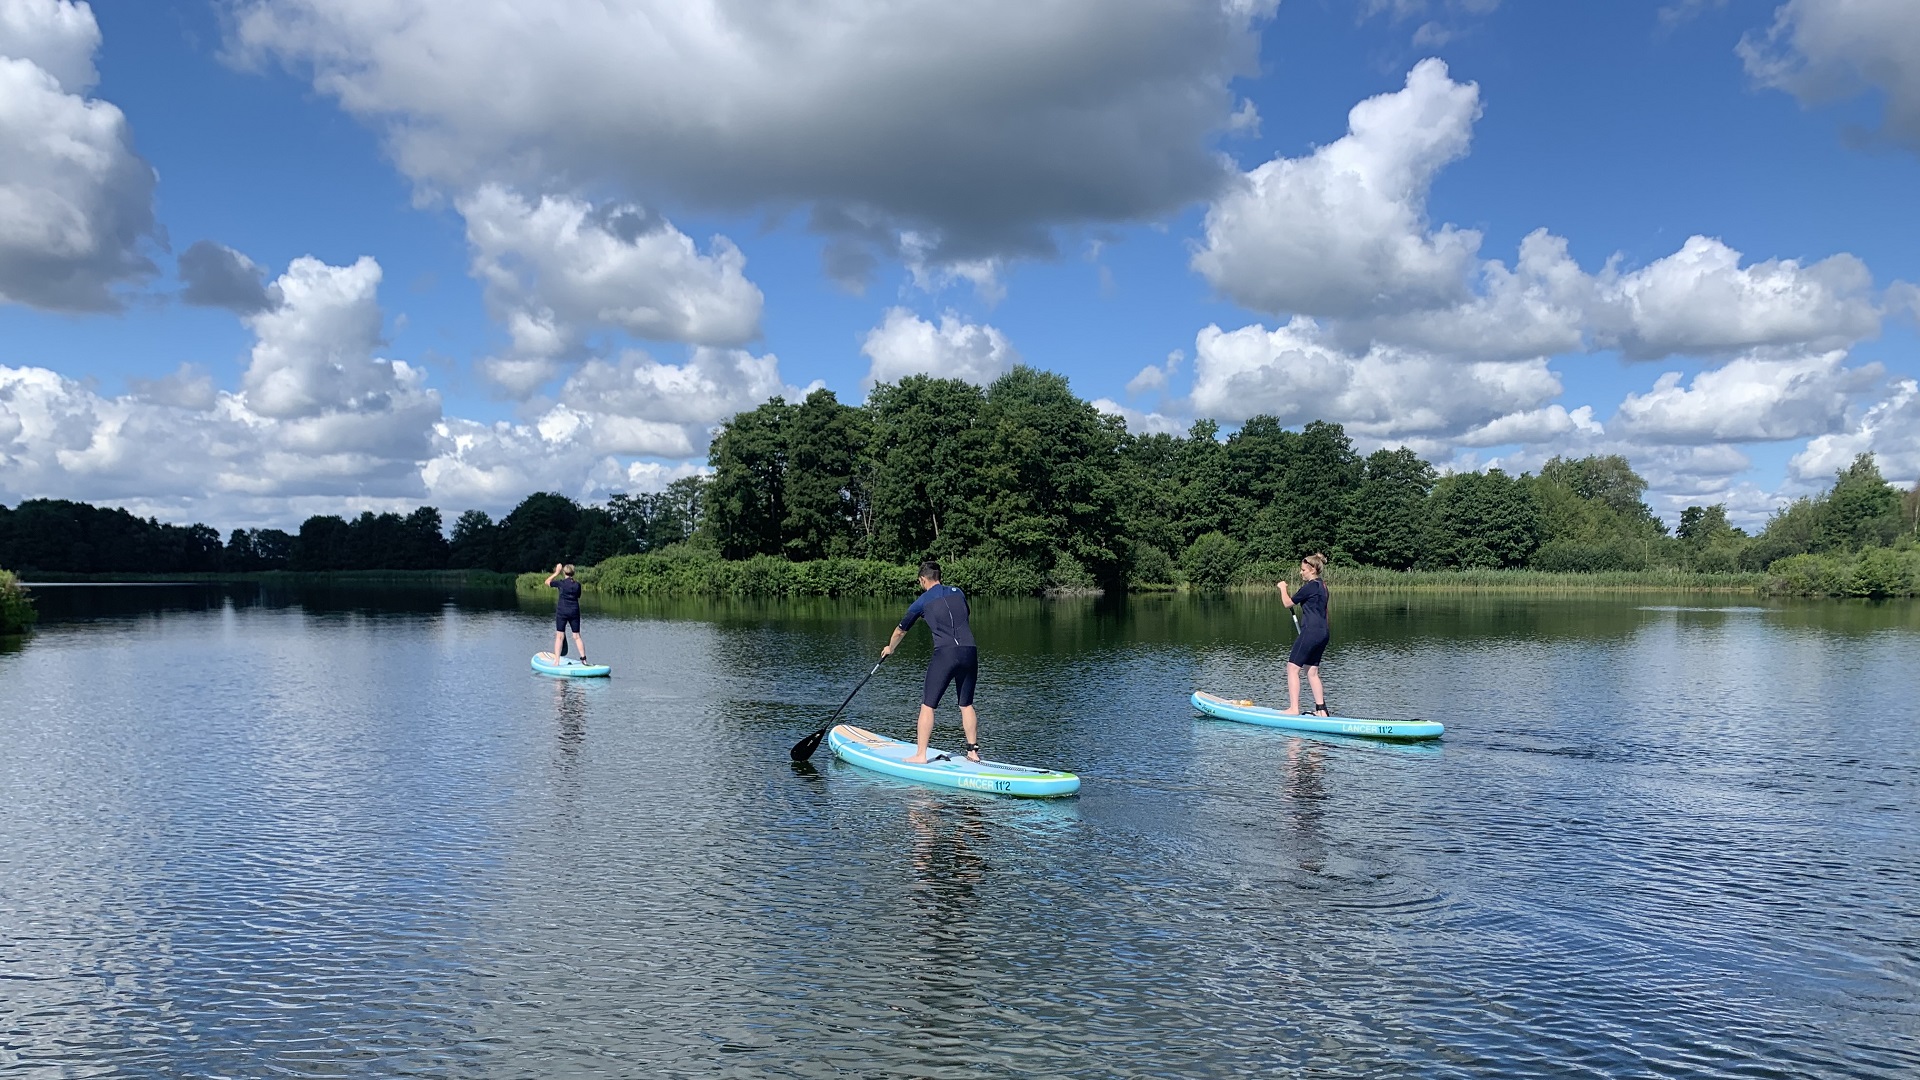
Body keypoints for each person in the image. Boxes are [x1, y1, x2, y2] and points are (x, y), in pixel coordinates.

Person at [881, 560, 979, 763]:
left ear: (923, 580)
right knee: (966, 704)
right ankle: (973, 752)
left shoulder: (922, 601)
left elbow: (901, 630)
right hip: (970, 651)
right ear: (939, 576)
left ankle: (920, 755)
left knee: (928, 705)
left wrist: (890, 648)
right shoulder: (958, 592)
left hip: (945, 654)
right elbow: (964, 615)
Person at [1276, 553, 1331, 716]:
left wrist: (1282, 588)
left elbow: (1287, 603)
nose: (1301, 573)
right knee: (1311, 672)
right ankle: (1322, 711)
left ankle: (1293, 708)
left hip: (1311, 631)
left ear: (1312, 570)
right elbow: (1323, 610)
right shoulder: (1323, 586)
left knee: (1292, 668)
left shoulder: (1310, 586)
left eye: (1303, 570)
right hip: (1323, 632)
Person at [544, 562, 586, 664]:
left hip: (562, 612)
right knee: (577, 636)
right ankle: (584, 660)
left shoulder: (561, 583)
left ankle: (557, 661)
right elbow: (578, 596)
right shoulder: (577, 585)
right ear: (573, 573)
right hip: (574, 611)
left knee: (559, 636)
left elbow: (547, 582)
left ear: (564, 572)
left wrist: (556, 572)